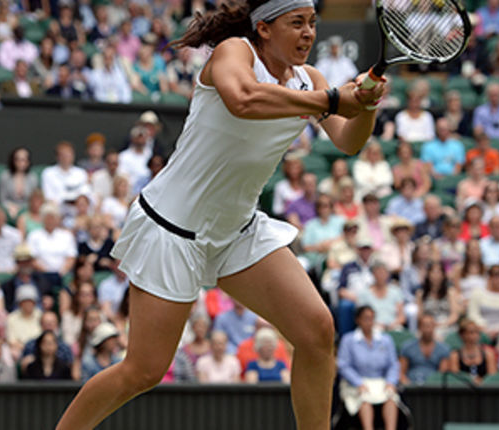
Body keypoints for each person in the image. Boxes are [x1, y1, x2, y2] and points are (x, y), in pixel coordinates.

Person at [57, 1, 384, 428]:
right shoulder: (235, 51)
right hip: (172, 229)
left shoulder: (311, 80)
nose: (308, 33)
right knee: (143, 370)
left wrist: (365, 105)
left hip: (237, 230)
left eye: (313, 24)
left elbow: (347, 141)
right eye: (297, 23)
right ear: (264, 29)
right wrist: (334, 98)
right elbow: (243, 99)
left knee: (317, 332)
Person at [337, 306, 400, 430]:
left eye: (371, 318)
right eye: (366, 318)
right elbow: (344, 366)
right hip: (356, 383)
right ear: (358, 320)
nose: (369, 322)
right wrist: (358, 383)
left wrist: (391, 382)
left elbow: (393, 364)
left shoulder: (385, 339)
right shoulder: (348, 340)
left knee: (391, 399)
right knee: (364, 399)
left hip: (380, 381)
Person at [399, 312, 450, 385]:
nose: (428, 329)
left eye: (430, 326)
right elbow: (401, 373)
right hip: (411, 386)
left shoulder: (443, 349)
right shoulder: (407, 347)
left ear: (434, 327)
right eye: (425, 326)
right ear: (419, 327)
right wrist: (408, 385)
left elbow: (441, 375)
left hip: (434, 388)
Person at [467, 265, 499, 340]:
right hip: (480, 331)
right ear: (489, 277)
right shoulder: (477, 293)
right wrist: (484, 328)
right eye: (494, 275)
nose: (497, 279)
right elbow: (473, 314)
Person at [445, 319, 497, 385]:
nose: (475, 335)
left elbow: (492, 378)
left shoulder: (488, 354)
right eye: (471, 332)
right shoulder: (455, 355)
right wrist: (471, 381)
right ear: (462, 335)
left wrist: (481, 382)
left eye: (477, 332)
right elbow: (455, 378)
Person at [6, 285, 43, 358]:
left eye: (31, 302)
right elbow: (11, 341)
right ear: (20, 303)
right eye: (25, 302)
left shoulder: (41, 315)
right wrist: (27, 348)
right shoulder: (11, 318)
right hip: (20, 350)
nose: (28, 305)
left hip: (40, 349)